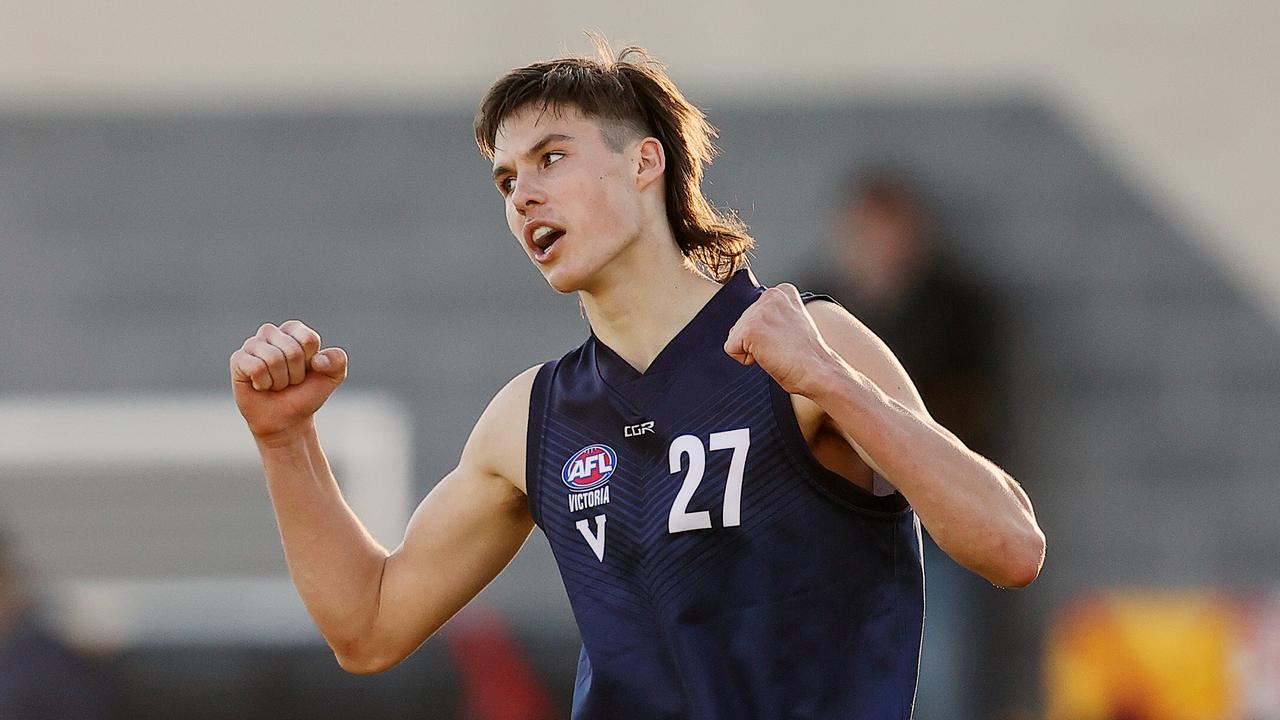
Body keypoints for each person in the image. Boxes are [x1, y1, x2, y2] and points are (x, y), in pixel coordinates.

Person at [229, 41, 1045, 720]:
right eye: (508, 180)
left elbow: (1011, 546)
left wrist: (835, 383)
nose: (526, 196)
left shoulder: (809, 342)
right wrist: (283, 439)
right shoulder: (531, 416)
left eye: (552, 158)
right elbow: (368, 628)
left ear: (645, 161)